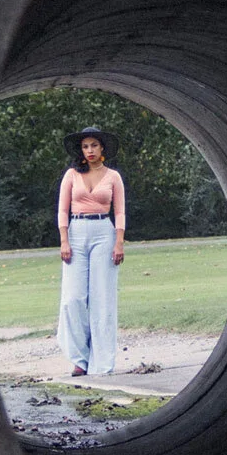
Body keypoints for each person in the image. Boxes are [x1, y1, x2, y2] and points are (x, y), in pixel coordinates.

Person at [57, 125, 126, 377]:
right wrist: (64, 240)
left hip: (103, 233)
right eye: (85, 146)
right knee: (73, 298)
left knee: (102, 298)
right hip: (76, 232)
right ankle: (79, 358)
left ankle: (102, 363)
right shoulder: (71, 175)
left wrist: (119, 241)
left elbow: (119, 211)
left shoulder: (113, 177)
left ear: (102, 148)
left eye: (94, 145)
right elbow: (62, 210)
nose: (89, 151)